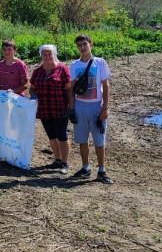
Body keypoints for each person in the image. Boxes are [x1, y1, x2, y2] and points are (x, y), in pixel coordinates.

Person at [68, 34, 112, 184]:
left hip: (96, 106)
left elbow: (105, 86)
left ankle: (102, 170)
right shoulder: (74, 65)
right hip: (80, 106)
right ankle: (85, 167)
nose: (82, 47)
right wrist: (72, 108)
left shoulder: (100, 63)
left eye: (84, 44)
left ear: (90, 45)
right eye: (79, 45)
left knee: (99, 140)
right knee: (82, 139)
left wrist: (105, 108)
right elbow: (72, 88)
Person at [29, 44, 71, 175]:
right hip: (44, 109)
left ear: (54, 54)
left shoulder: (62, 69)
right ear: (41, 55)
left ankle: (64, 162)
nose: (47, 56)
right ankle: (57, 159)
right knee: (52, 136)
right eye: (44, 54)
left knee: (62, 136)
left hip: (60, 108)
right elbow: (32, 87)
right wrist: (33, 95)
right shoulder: (37, 71)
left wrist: (71, 105)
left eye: (49, 54)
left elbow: (69, 88)